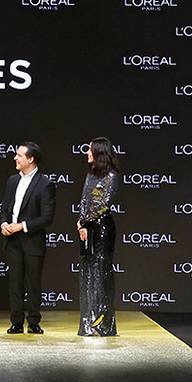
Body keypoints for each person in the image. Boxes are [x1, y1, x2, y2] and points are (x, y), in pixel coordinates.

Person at [0, 142, 56, 334]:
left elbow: (47, 217)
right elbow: (5, 208)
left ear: (30, 159)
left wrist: (21, 226)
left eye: (19, 155)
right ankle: (16, 322)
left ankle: (33, 322)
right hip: (12, 241)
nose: (15, 158)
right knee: (14, 283)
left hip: (32, 241)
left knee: (33, 283)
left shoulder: (45, 184)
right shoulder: (11, 180)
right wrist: (4, 224)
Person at [77, 137, 121, 337]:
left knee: (101, 273)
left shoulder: (111, 175)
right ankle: (88, 323)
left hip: (102, 229)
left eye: (89, 150)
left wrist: (84, 222)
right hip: (87, 228)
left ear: (99, 152)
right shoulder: (90, 174)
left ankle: (103, 324)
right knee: (88, 273)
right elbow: (85, 201)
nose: (86, 153)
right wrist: (81, 222)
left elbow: (103, 203)